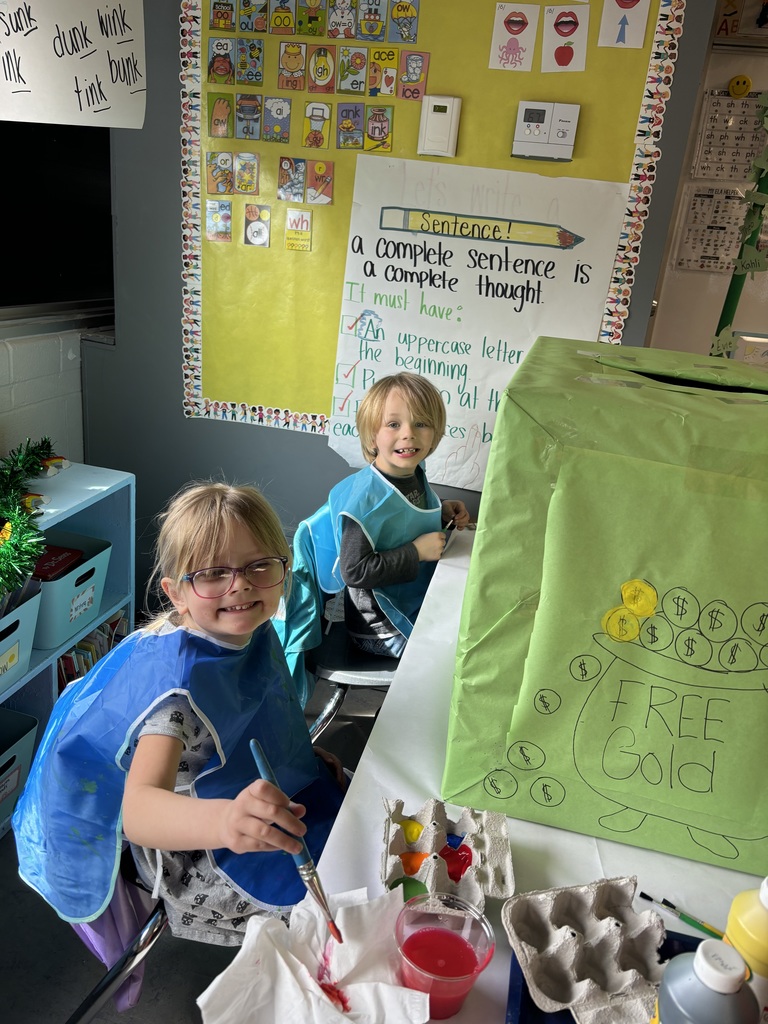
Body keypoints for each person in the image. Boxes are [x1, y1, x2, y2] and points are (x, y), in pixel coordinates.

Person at [13, 482, 345, 947]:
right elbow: (139, 811)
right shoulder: (175, 698)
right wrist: (228, 821)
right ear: (176, 593)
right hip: (197, 848)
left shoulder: (248, 624)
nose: (242, 584)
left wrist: (294, 751)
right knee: (339, 907)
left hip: (247, 796)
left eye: (260, 565)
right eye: (213, 574)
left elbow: (252, 714)